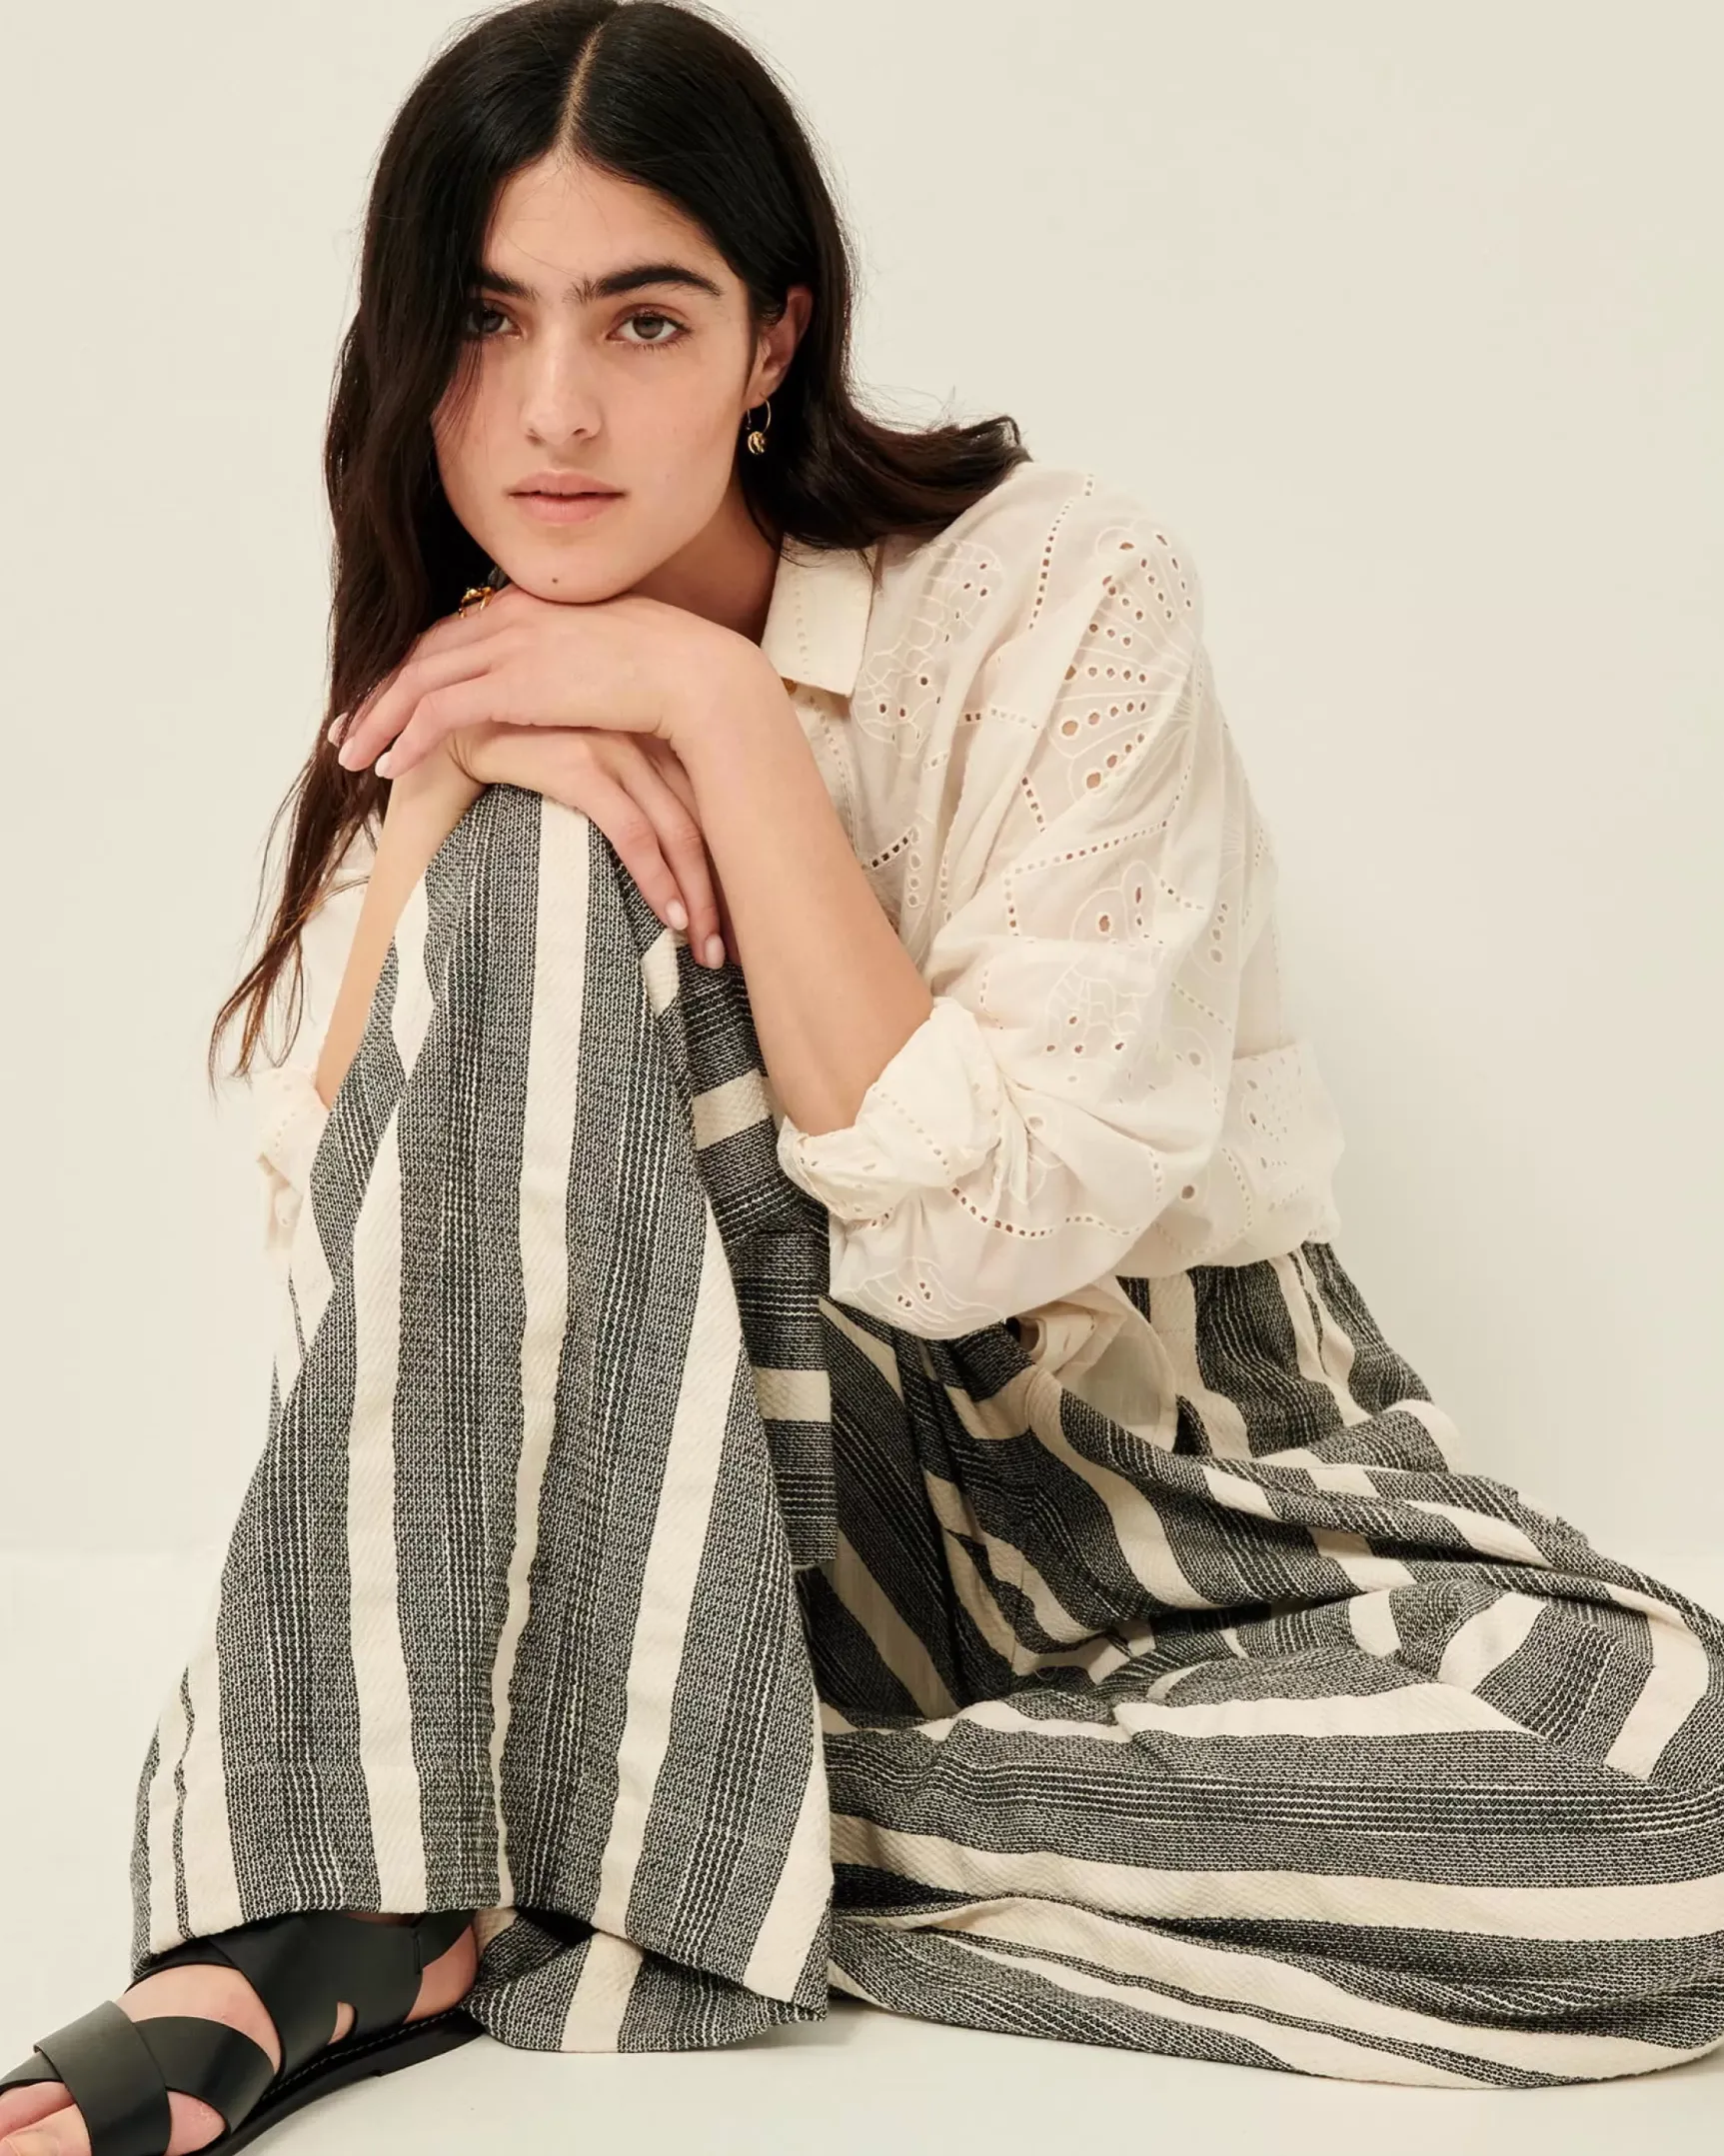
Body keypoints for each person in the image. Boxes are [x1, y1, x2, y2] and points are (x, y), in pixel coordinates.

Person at [8, 0, 1724, 2147]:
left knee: (1680, 1830)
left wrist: (713, 710)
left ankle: (640, 1826)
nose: (550, 408)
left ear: (773, 342)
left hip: (1166, 1470)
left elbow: (986, 1237)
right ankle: (334, 1897)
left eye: (643, 319)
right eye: (483, 318)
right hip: (707, 1512)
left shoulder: (1055, 591)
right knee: (546, 846)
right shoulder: (481, 696)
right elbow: (366, 1288)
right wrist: (444, 788)